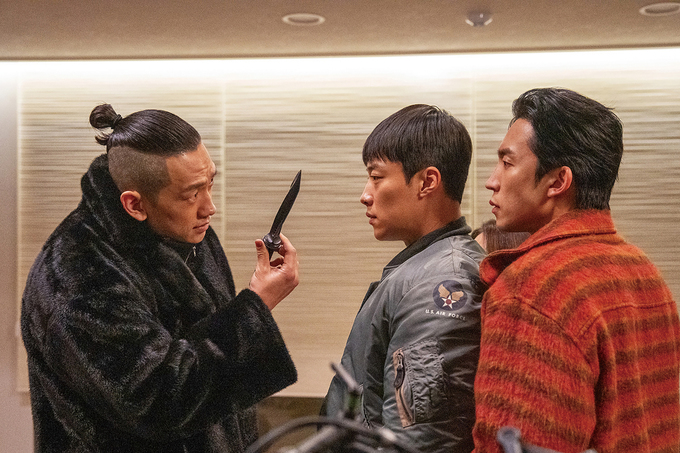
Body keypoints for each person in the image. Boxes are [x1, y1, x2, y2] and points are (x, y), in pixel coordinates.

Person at [20, 104, 300, 453]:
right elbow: (158, 400)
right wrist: (256, 306)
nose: (209, 207)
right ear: (134, 205)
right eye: (191, 194)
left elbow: (216, 389)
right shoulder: (76, 276)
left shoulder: (188, 234)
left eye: (210, 183)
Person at [473, 88, 680, 453]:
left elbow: (511, 444)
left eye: (507, 163)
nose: (492, 180)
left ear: (557, 181)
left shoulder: (531, 289)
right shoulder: (643, 270)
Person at [323, 104, 485, 452]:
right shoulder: (428, 266)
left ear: (427, 182)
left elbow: (422, 438)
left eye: (376, 177)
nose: (365, 194)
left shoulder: (443, 280)